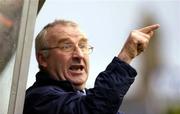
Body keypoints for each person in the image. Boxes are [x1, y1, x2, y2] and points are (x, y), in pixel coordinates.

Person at [23, 19, 160, 114]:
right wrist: (125, 57)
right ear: (43, 59)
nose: (79, 54)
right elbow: (93, 110)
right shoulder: (39, 100)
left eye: (83, 46)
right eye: (66, 46)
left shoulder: (81, 98)